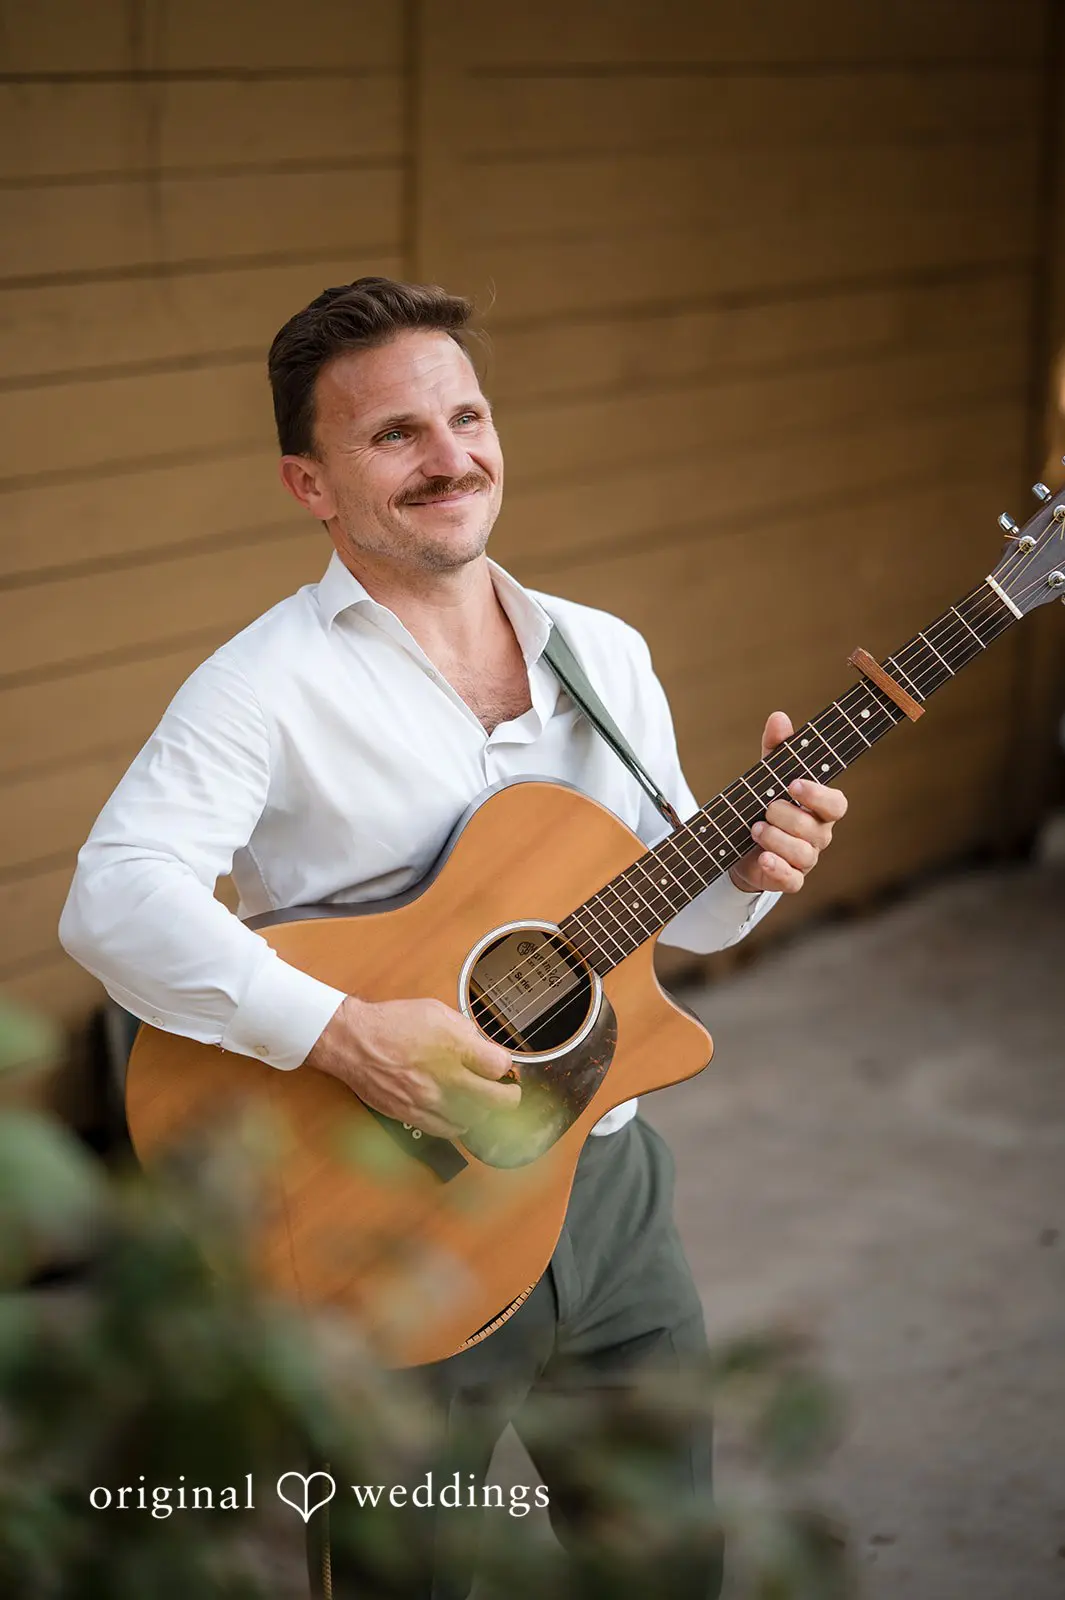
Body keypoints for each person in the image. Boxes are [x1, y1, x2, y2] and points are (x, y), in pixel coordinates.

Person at [58, 277, 848, 1598]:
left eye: (466, 417)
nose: (451, 457)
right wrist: (349, 1033)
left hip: (610, 1188)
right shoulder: (264, 686)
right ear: (311, 485)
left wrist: (757, 867)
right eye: (396, 437)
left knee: (663, 1558)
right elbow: (114, 897)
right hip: (391, 1212)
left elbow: (670, 917)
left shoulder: (604, 652)